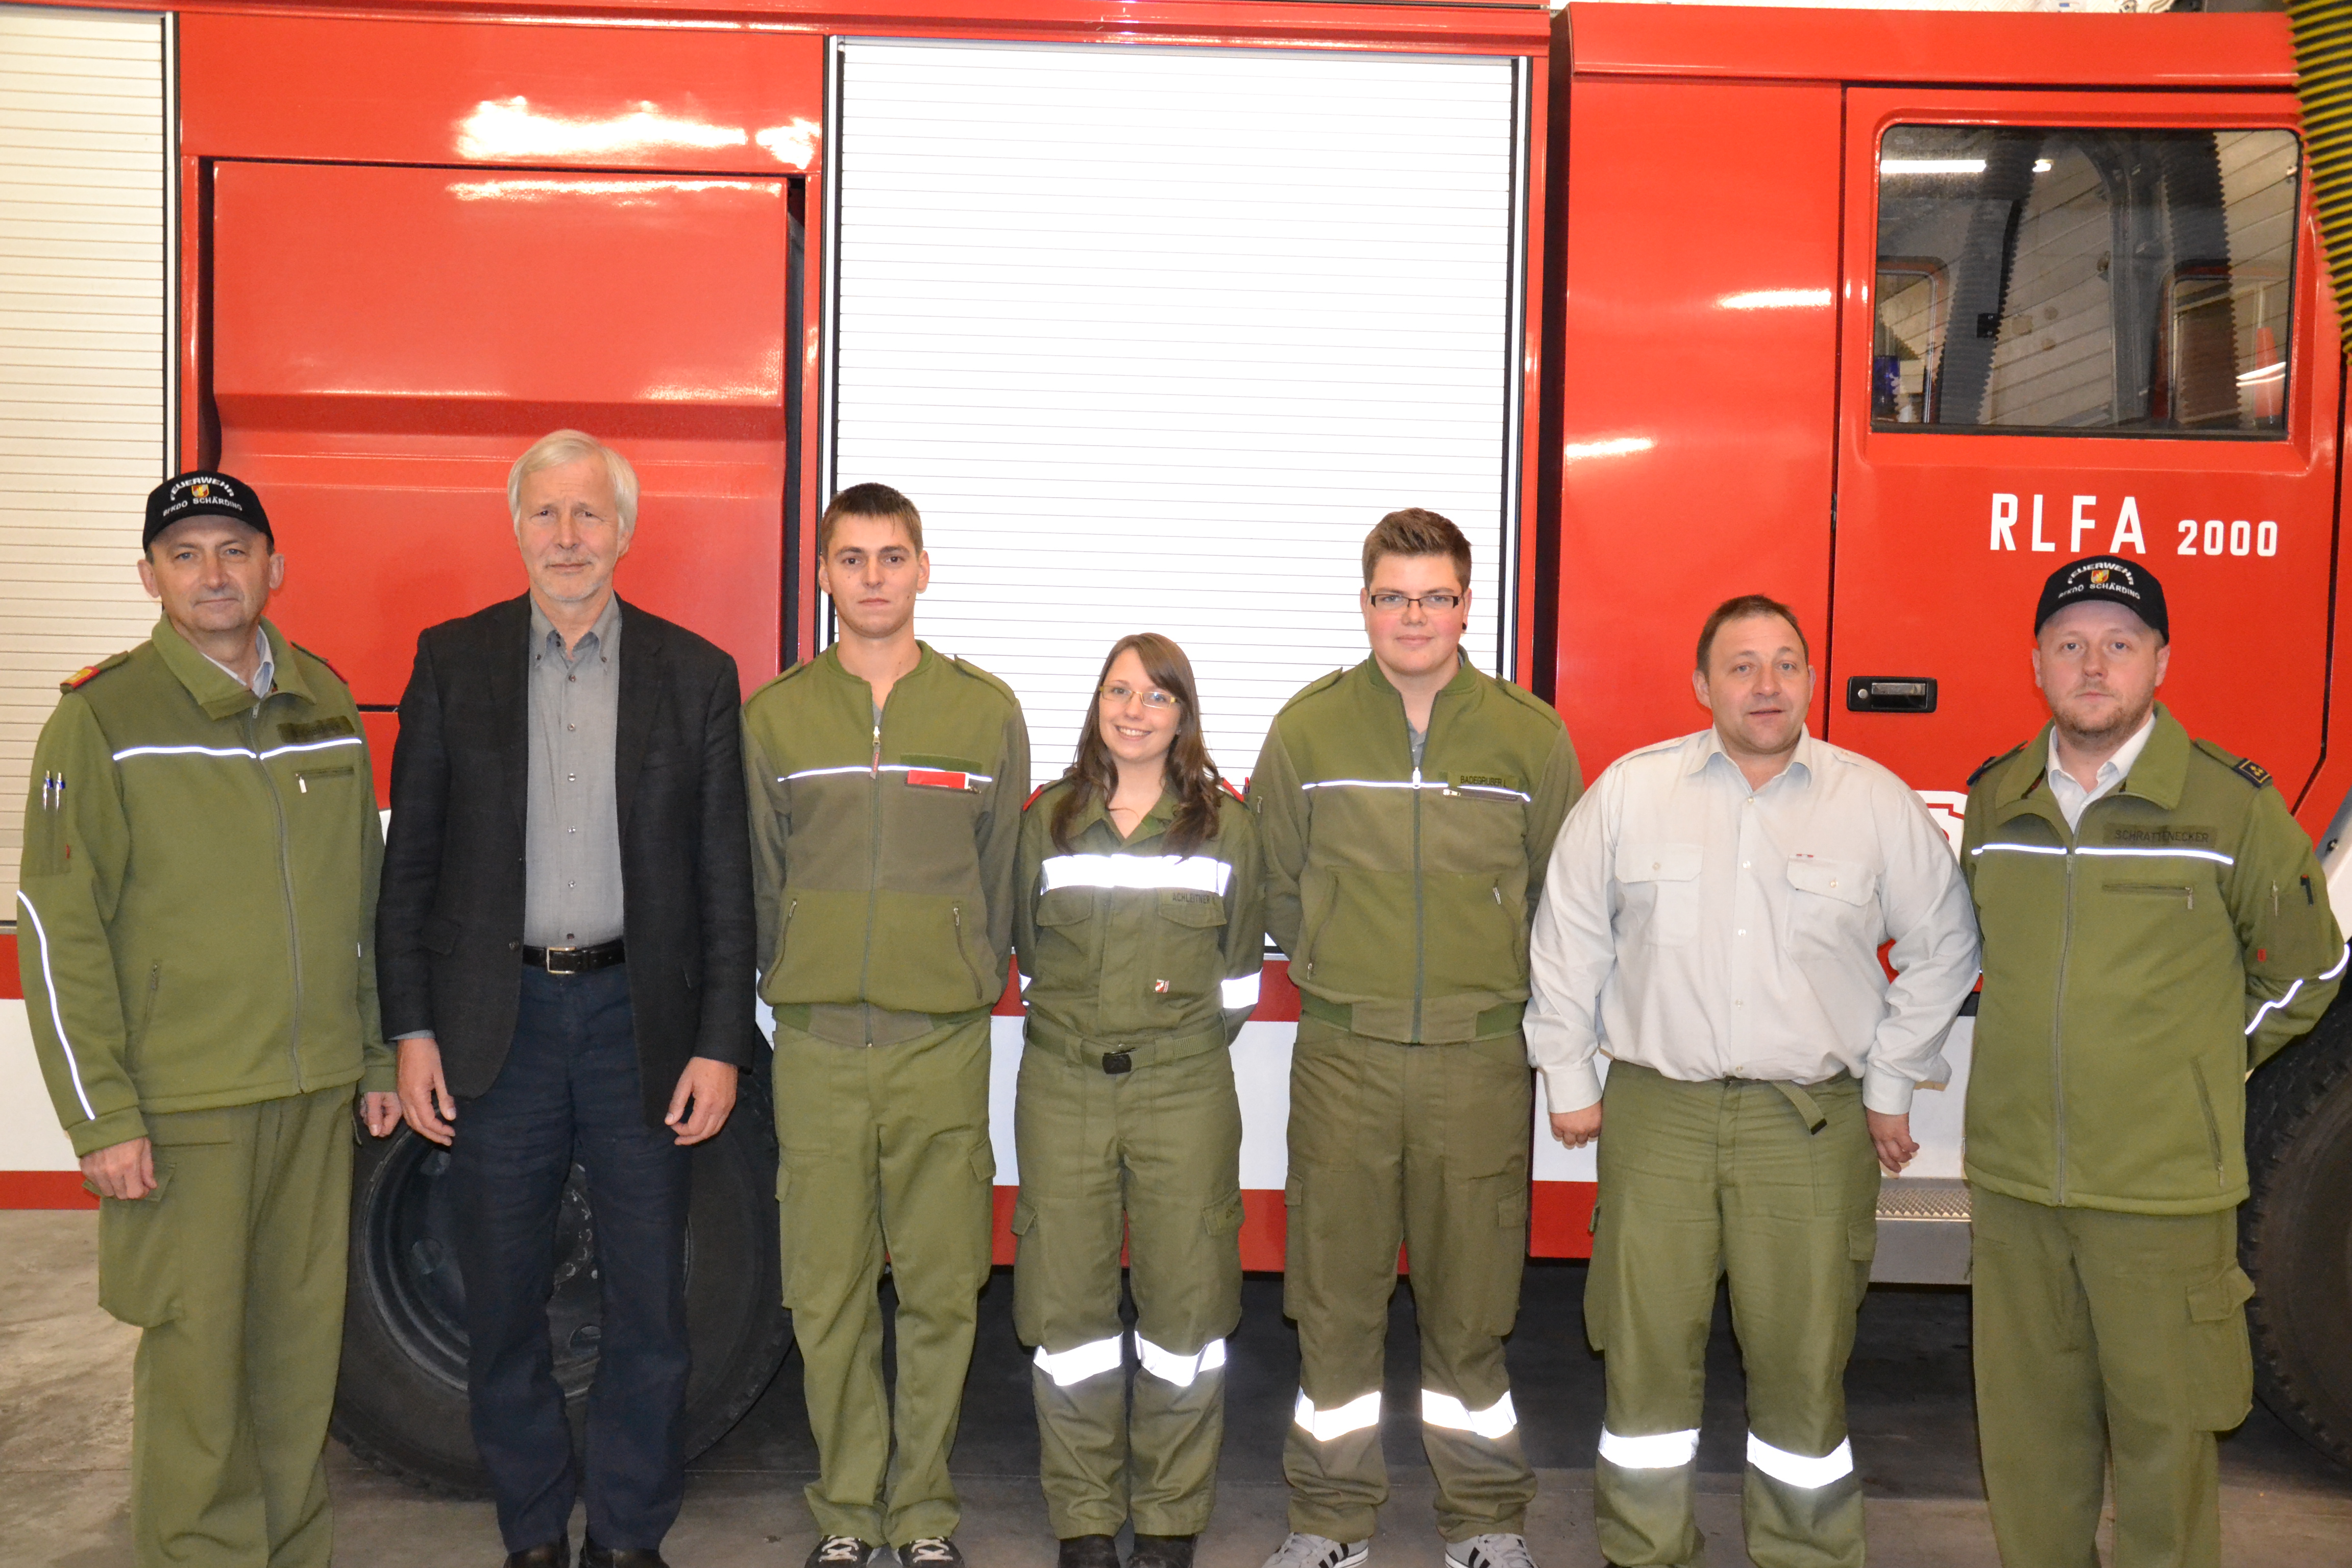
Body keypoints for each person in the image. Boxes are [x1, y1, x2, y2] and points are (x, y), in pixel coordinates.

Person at [1526, 593, 1980, 1568]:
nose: (1766, 685)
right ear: (1702, 685)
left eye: (1785, 663)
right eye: (1741, 665)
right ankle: (1645, 1550)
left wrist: (1892, 1081)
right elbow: (1567, 937)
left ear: (1811, 680)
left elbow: (1947, 947)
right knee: (1643, 1366)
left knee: (1804, 1369)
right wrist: (1568, 1070)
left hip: (1808, 1128)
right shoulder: (1630, 794)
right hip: (1658, 1115)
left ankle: (1806, 1554)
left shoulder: (1871, 802)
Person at [376, 430, 758, 1568]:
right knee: (503, 1308)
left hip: (639, 1026)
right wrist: (410, 1029)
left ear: (624, 530)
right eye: (545, 515)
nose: (568, 539)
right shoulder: (452, 663)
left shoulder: (696, 676)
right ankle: (535, 1536)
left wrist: (721, 1043)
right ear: (516, 529)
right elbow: (413, 873)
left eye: (588, 515)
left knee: (652, 1311)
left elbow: (724, 883)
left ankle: (629, 1540)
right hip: (502, 1034)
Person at [15, 471, 394, 1568]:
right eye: (186, 555)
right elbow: (59, 930)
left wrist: (370, 1053)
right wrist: (102, 1119)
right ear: (150, 577)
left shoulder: (325, 699)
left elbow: (361, 907)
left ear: (274, 565)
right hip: (184, 1108)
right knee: (196, 1364)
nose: (214, 573)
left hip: (315, 1093)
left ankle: (290, 1551)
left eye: (235, 549)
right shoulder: (103, 718)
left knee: (296, 1357)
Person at [1961, 556, 2343, 1568]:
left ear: (2161, 661)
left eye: (2120, 644)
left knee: (2165, 1459)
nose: (2095, 665)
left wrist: (2205, 1063)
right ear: (2037, 660)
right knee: (2030, 1458)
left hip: (2162, 1197)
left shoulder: (2231, 808)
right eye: (2071, 644)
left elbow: (2310, 970)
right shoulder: (1998, 806)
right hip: (2016, 1190)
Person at [1248, 508, 1582, 1568]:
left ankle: (1483, 1522)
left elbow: (1562, 901)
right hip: (1345, 1055)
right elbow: (1279, 886)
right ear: (1365, 605)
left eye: (1435, 596)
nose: (1414, 616)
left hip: (1480, 1061)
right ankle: (1329, 1522)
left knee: (1471, 1309)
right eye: (1393, 595)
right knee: (1334, 1303)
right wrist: (1348, 965)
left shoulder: (1530, 735)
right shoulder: (1310, 730)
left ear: (1466, 606)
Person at [742, 482, 1030, 1568]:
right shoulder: (776, 717)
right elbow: (760, 878)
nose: (873, 577)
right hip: (816, 1046)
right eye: (852, 559)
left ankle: (923, 1514)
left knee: (944, 1287)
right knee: (826, 1292)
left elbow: (1000, 872)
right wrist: (788, 980)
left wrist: (963, 967)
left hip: (939, 1044)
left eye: (892, 557)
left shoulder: (981, 709)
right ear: (822, 574)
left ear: (922, 569)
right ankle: (849, 1515)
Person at [1012, 634, 1265, 1568]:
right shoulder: (1046, 820)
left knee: (1186, 1313)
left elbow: (1239, 980)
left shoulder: (1228, 827)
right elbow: (1027, 952)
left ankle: (1168, 1519)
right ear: (1097, 704)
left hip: (1184, 1087)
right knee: (1066, 1310)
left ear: (1182, 714)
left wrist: (1170, 1047)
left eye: (1156, 697)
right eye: (1119, 691)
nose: (1134, 710)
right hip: (1065, 1082)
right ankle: (1082, 1517)